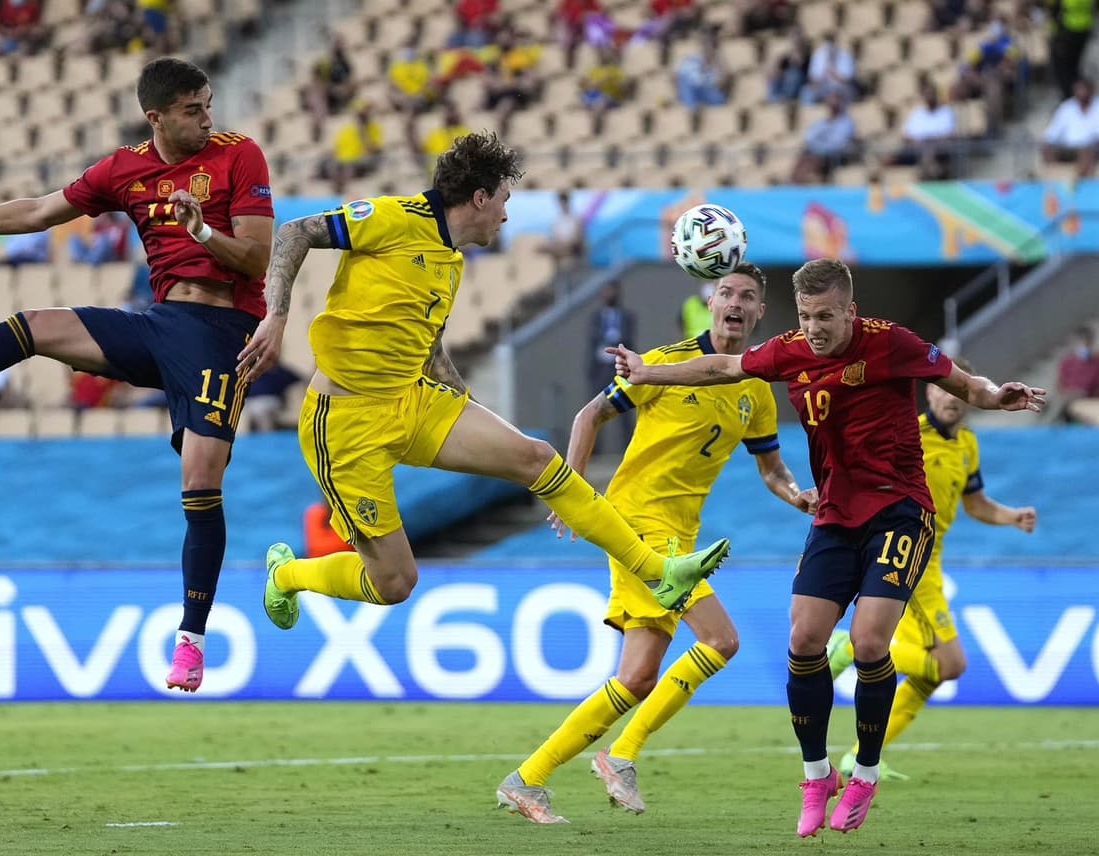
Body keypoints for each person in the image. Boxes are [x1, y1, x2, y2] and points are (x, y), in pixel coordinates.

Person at [0, 57, 274, 694]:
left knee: (200, 483)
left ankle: (191, 640)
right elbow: (39, 211)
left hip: (223, 334)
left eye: (208, 104)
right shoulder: (125, 167)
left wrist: (202, 232)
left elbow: (258, 256)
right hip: (161, 325)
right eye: (193, 110)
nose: (208, 119)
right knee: (35, 324)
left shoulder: (239, 156)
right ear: (157, 117)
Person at [237, 131, 730, 645]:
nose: (506, 215)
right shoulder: (393, 217)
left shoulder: (450, 260)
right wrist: (275, 317)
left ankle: (658, 572)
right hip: (345, 422)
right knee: (395, 582)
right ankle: (287, 575)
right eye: (504, 201)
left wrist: (470, 405)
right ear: (479, 197)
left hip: (411, 400)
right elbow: (294, 232)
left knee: (535, 456)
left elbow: (427, 347)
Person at [608, 258, 1045, 836]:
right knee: (804, 638)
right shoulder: (791, 351)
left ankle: (863, 772)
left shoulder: (892, 344)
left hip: (899, 511)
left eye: (826, 317)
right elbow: (722, 366)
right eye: (807, 316)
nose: (815, 328)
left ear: (851, 311)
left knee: (868, 642)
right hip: (835, 515)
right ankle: (817, 775)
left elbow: (963, 385)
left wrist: (997, 396)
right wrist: (647, 373)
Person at [498, 262, 817, 824]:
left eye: (747, 295)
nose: (736, 302)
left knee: (638, 676)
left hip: (678, 532)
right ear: (711, 301)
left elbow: (771, 469)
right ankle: (619, 755)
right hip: (637, 524)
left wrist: (798, 496)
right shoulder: (664, 364)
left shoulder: (756, 391)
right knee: (720, 640)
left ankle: (528, 778)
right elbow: (589, 414)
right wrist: (570, 491)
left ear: (760, 311)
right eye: (727, 292)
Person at [824, 356, 1037, 780]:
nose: (950, 399)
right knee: (950, 665)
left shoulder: (968, 446)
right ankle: (848, 648)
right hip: (906, 549)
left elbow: (975, 503)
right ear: (930, 392)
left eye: (958, 391)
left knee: (937, 672)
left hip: (933, 557)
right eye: (942, 388)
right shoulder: (910, 434)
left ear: (969, 397)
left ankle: (860, 755)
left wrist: (1010, 516)